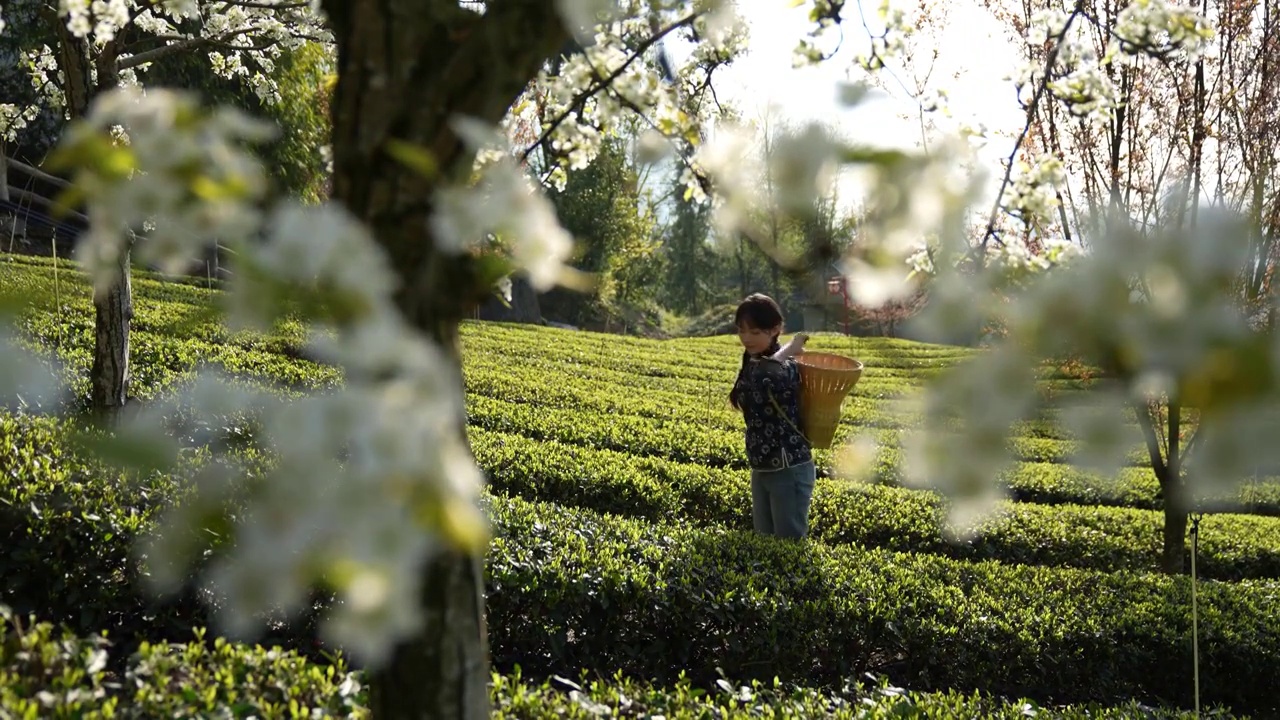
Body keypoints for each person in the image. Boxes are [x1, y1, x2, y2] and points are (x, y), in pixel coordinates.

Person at [728, 293, 815, 540]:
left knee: (788, 545)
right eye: (742, 331)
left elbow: (770, 375)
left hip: (788, 467)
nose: (746, 338)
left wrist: (790, 350)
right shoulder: (753, 362)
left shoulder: (787, 366)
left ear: (775, 329)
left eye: (755, 332)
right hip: (762, 466)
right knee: (764, 545)